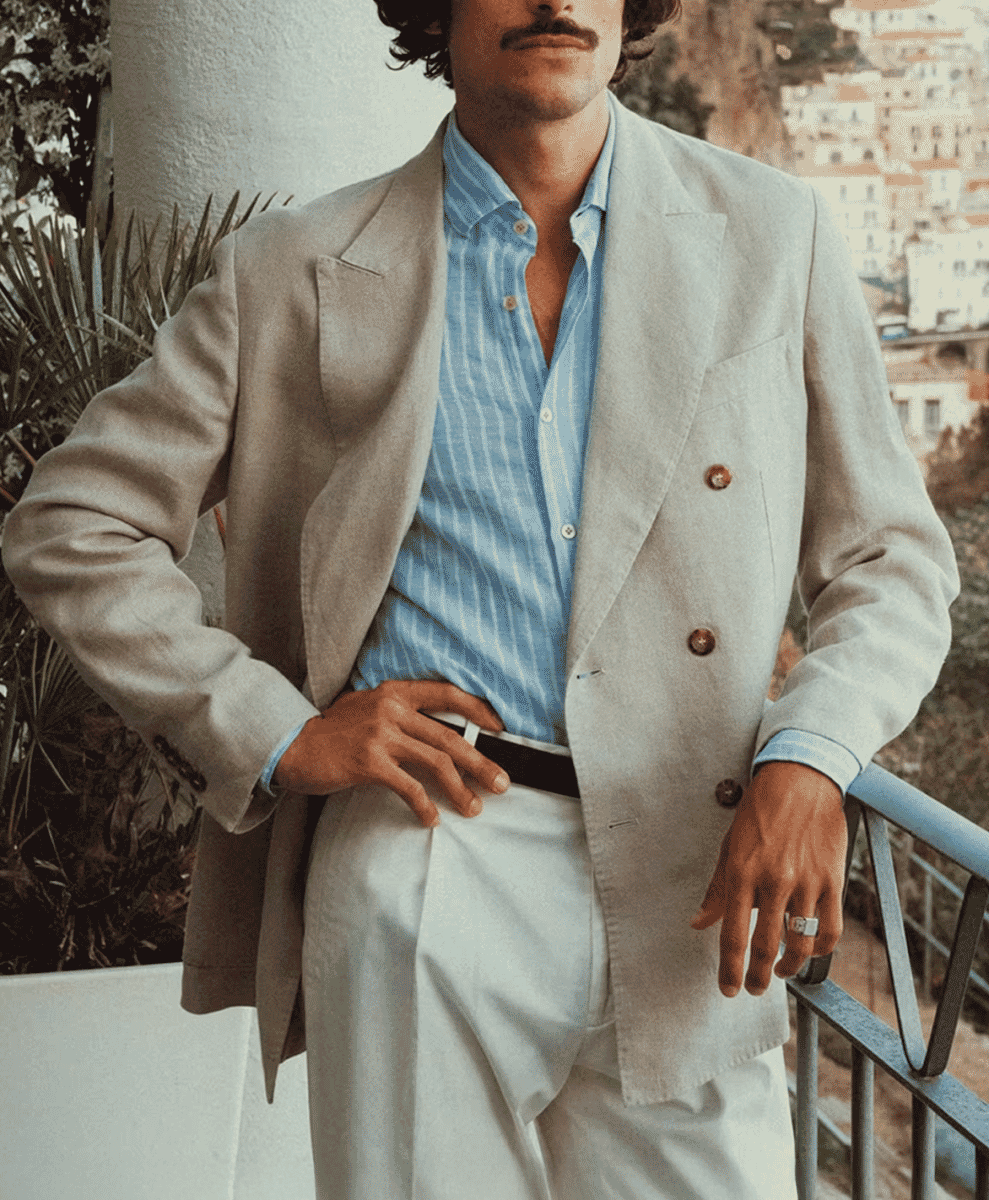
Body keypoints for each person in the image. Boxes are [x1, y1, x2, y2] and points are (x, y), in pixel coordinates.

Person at [3, 1, 958, 1196]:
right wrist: (278, 729)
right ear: (436, 13)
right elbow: (72, 522)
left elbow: (892, 561)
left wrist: (811, 754)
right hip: (430, 851)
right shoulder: (296, 268)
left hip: (691, 868)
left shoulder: (772, 233)